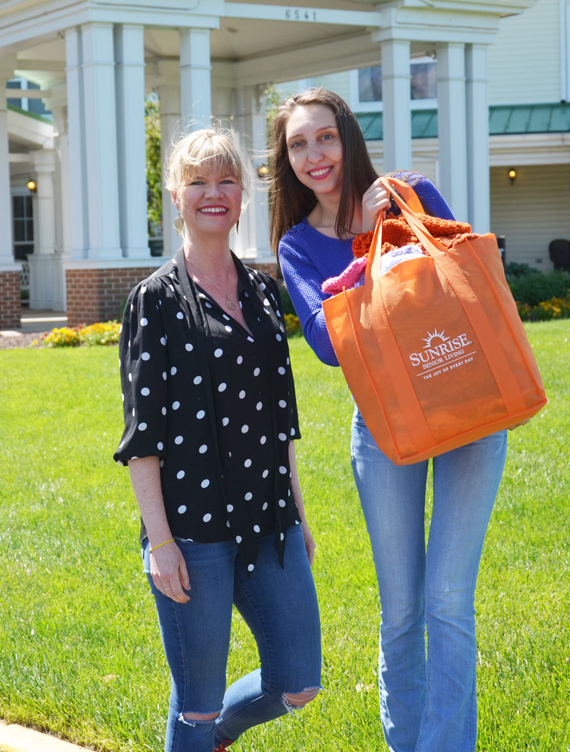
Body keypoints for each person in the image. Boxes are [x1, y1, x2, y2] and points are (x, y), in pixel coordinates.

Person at [270, 88, 508, 752]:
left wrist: (391, 221)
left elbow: (469, 276)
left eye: (325, 137)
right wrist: (365, 248)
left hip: (472, 410)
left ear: (347, 137)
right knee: (402, 610)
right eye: (298, 144)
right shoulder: (297, 244)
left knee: (448, 602)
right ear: (287, 160)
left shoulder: (413, 191)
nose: (315, 154)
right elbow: (324, 341)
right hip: (386, 428)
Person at [115, 127, 322, 752]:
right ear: (175, 197)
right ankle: (202, 737)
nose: (214, 193)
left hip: (269, 519)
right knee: (196, 707)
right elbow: (142, 436)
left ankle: (216, 738)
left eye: (227, 180)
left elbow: (282, 418)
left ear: (242, 196)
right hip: (192, 530)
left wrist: (300, 514)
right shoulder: (155, 301)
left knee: (298, 681)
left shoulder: (261, 292)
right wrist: (160, 542)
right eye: (199, 182)